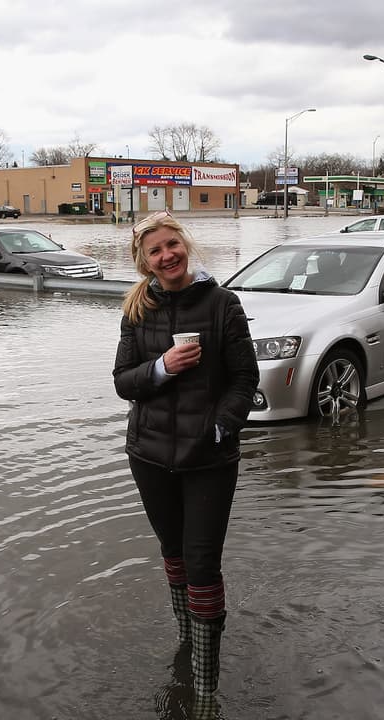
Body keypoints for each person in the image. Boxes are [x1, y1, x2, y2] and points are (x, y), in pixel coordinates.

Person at [112, 210, 259, 697]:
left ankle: (204, 686)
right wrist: (162, 367)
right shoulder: (136, 309)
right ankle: (188, 643)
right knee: (172, 553)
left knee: (202, 563)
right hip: (149, 454)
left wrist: (221, 426)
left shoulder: (222, 304)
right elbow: (123, 382)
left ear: (185, 245)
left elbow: (245, 379)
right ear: (144, 261)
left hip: (209, 457)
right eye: (154, 250)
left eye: (171, 244)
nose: (166, 255)